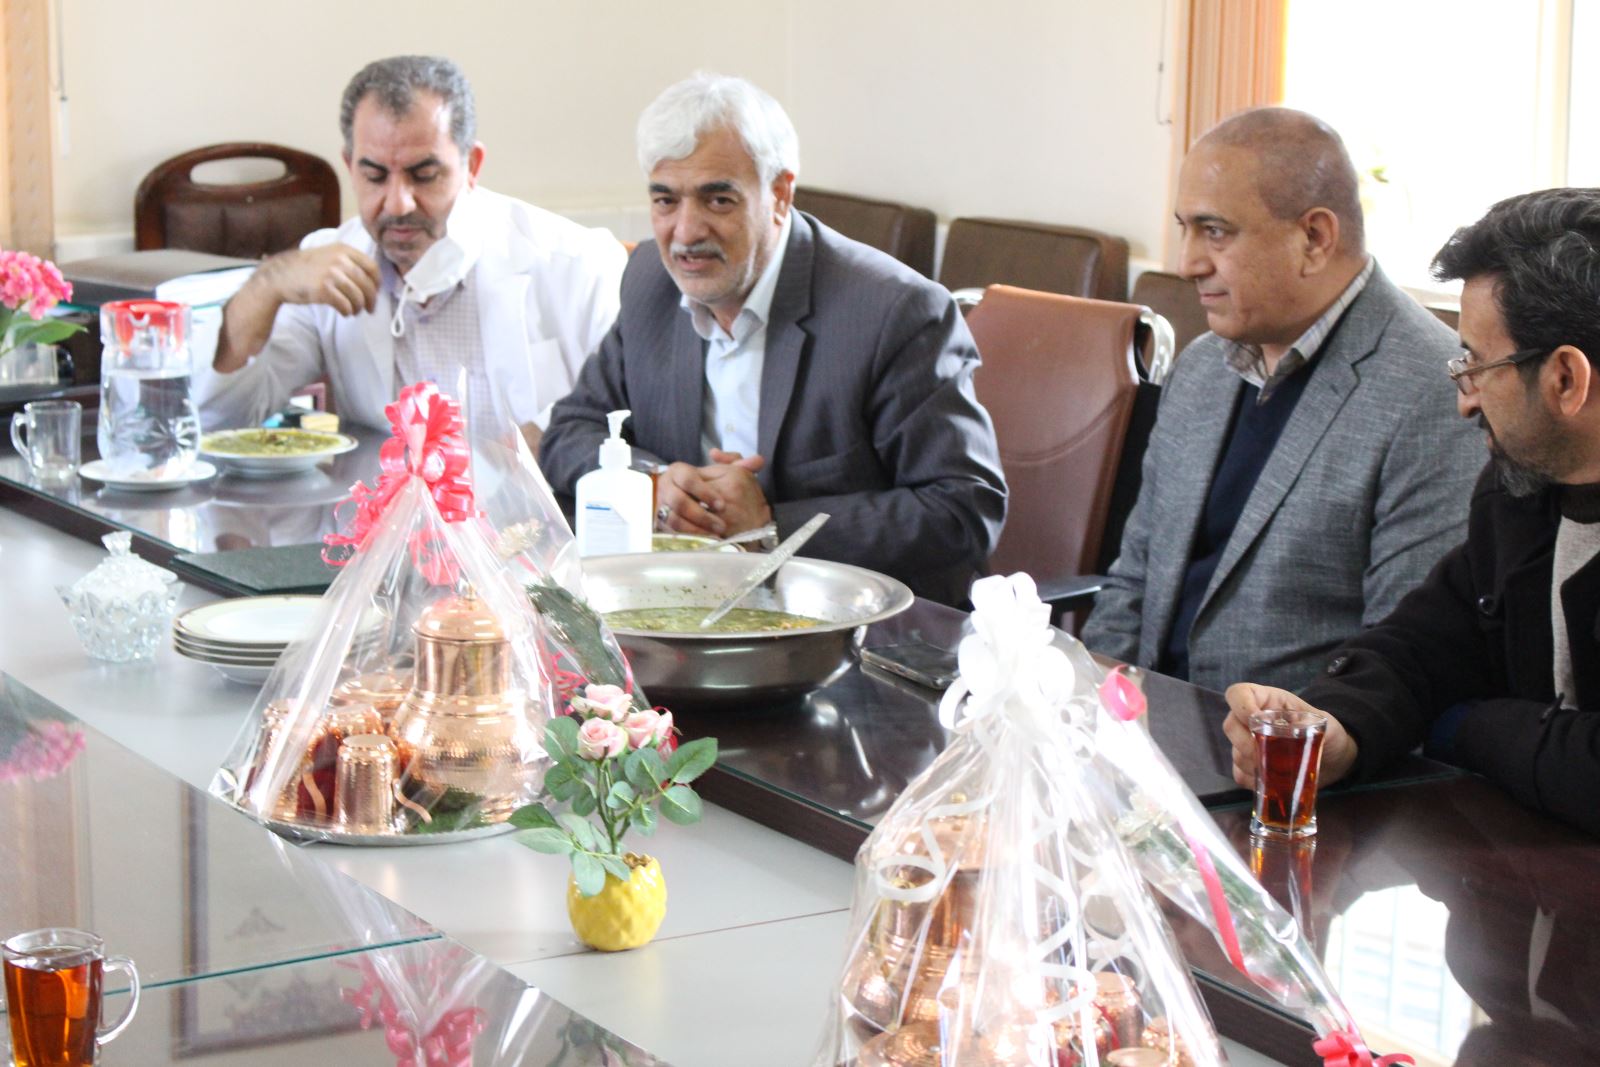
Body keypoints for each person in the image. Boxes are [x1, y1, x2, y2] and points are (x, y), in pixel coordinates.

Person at [537, 73, 1006, 604]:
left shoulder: (894, 312)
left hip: (855, 622)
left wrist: (772, 524)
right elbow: (569, 433)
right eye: (665, 201)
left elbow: (964, 508)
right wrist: (654, 482)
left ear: (780, 194)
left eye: (718, 200)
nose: (686, 233)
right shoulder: (651, 279)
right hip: (684, 608)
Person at [1225, 186, 1600, 835]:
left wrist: (1466, 725)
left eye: (1477, 365)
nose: (1464, 400)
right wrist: (1336, 726)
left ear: (1566, 379)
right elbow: (1424, 645)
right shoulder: (1518, 490)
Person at [1080, 107, 1480, 693]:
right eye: (1185, 228)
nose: (1187, 263)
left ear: (1314, 239)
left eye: (1216, 231)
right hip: (1140, 724)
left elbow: (1404, 664)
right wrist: (1091, 708)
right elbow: (1134, 581)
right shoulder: (1201, 368)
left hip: (1288, 742)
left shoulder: (1431, 393)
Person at [196, 55, 625, 447]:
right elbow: (224, 418)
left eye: (424, 175)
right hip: (384, 506)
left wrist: (526, 457)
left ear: (472, 166)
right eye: (375, 176)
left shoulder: (577, 264)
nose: (398, 203)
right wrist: (268, 284)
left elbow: (629, 416)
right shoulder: (327, 265)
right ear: (350, 167)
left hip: (542, 506)